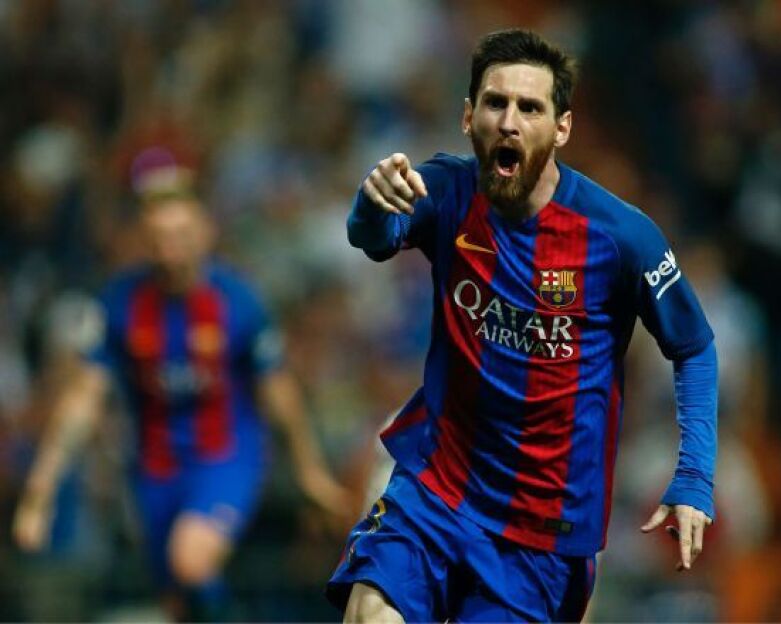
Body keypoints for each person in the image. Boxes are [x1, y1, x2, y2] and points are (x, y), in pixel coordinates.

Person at [326, 28, 718, 623]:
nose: (509, 122)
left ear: (562, 128)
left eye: (530, 108)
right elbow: (375, 238)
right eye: (495, 103)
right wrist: (372, 202)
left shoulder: (620, 235)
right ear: (468, 116)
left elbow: (693, 347)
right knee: (370, 614)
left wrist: (692, 477)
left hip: (541, 534)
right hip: (436, 489)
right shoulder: (446, 190)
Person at [12, 163, 349, 621]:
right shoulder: (119, 303)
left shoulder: (238, 300)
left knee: (190, 560)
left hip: (226, 458)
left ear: (206, 232)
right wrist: (42, 486)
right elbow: (82, 400)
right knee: (177, 601)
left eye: (181, 235)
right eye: (159, 238)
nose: (170, 250)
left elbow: (278, 390)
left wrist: (309, 469)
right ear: (144, 240)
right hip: (153, 468)